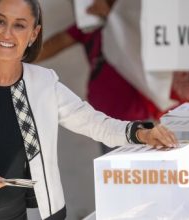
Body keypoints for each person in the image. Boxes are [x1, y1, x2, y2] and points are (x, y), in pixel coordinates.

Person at [0, 0, 178, 219]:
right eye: (0, 21)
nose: (7, 33)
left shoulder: (44, 83)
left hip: (12, 215)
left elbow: (93, 123)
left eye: (19, 25)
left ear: (34, 34)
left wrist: (140, 133)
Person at [35, 0, 156, 154]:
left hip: (137, 115)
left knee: (139, 173)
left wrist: (112, 16)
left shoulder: (133, 20)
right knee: (112, 174)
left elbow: (141, 46)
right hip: (103, 120)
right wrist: (18, 57)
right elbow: (57, 42)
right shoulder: (88, 27)